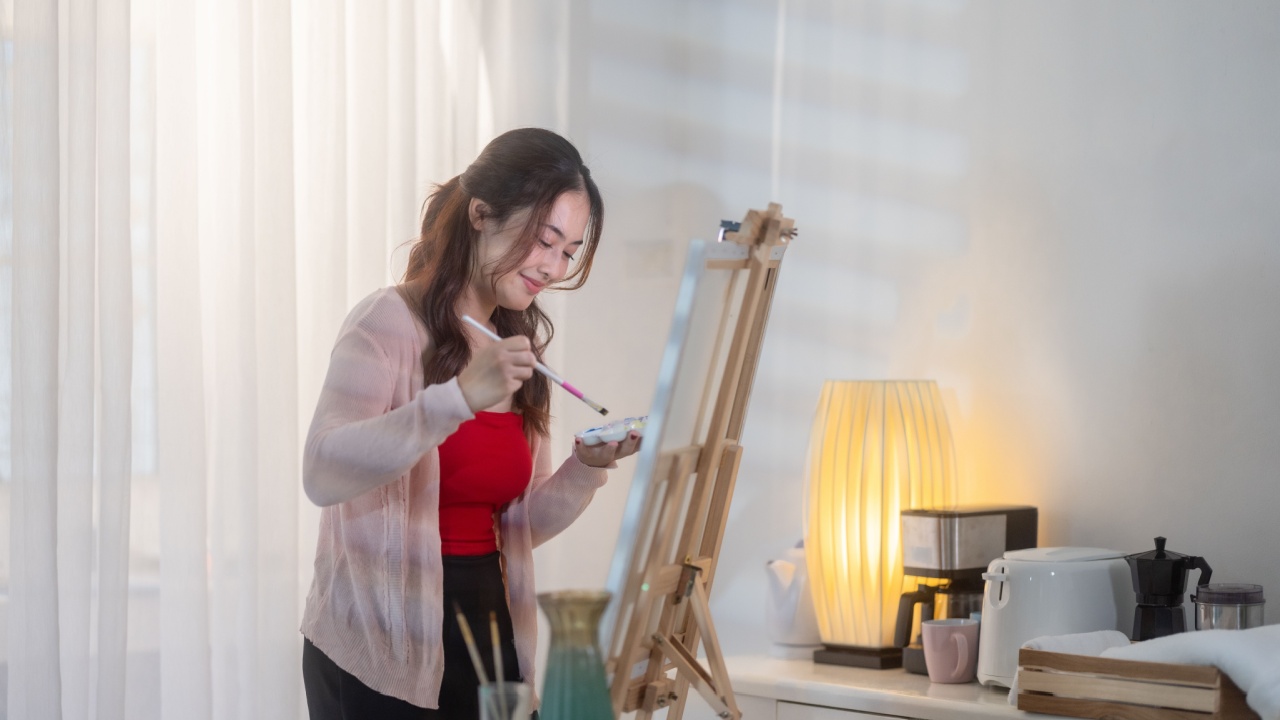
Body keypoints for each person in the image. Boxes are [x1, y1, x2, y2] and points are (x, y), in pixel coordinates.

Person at [300, 127, 641, 719]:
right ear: (481, 214)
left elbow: (517, 525)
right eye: (545, 240)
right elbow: (322, 472)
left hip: (487, 627)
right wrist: (455, 400)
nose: (555, 267)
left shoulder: (518, 347)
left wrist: (584, 470)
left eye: (569, 250)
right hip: (382, 648)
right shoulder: (387, 321)